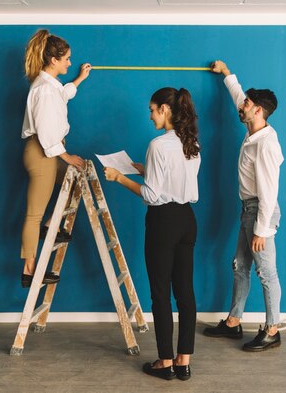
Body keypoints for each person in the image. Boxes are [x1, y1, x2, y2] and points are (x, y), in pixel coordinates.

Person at [104, 87, 200, 381]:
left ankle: (165, 362)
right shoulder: (191, 142)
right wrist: (145, 170)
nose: (150, 115)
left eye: (152, 109)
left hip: (163, 222)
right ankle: (183, 361)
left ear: (165, 110)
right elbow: (173, 181)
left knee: (160, 293)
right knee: (185, 292)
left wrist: (119, 177)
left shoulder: (157, 145)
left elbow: (151, 195)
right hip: (187, 219)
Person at [204, 60, 284, 352]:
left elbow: (269, 192)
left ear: (258, 111)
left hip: (260, 212)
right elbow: (239, 97)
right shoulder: (253, 127)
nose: (242, 106)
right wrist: (227, 75)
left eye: (247, 104)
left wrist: (261, 230)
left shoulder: (266, 144)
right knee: (240, 267)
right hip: (248, 211)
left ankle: (272, 329)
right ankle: (234, 322)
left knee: (266, 273)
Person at [19, 29, 91, 288]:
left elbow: (64, 94)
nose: (70, 63)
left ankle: (50, 225)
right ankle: (30, 271)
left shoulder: (50, 86)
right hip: (43, 151)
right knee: (33, 215)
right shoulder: (45, 91)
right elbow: (48, 132)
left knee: (74, 181)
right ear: (54, 61)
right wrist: (67, 156)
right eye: (67, 59)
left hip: (47, 151)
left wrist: (80, 78)